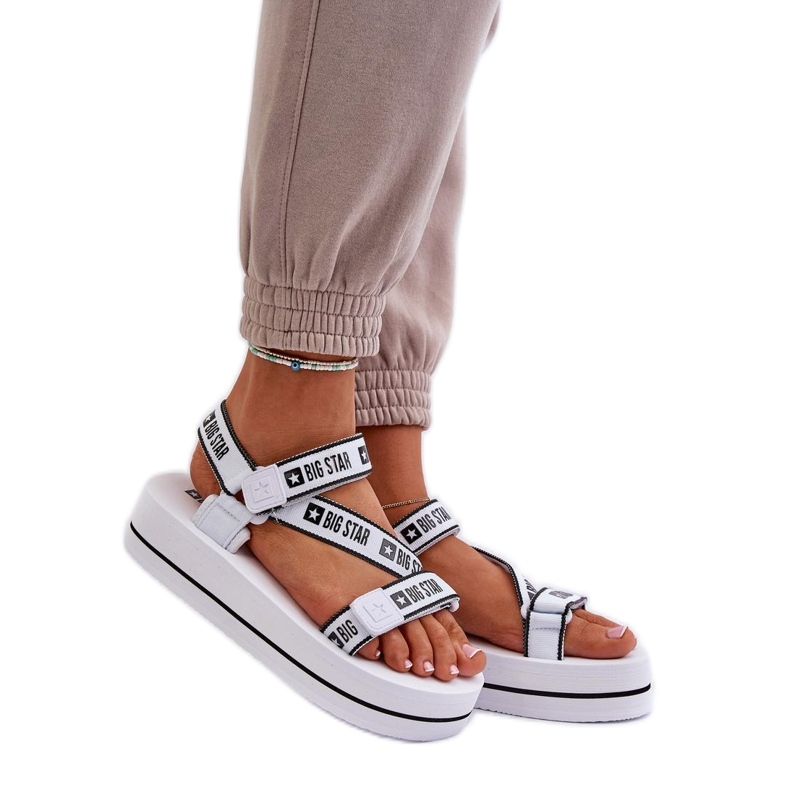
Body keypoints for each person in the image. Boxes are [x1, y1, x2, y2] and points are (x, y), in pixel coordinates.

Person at [134, 1, 649, 734]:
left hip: (375, 389)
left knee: (445, 29)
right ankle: (288, 405)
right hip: (285, 404)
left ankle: (379, 462)